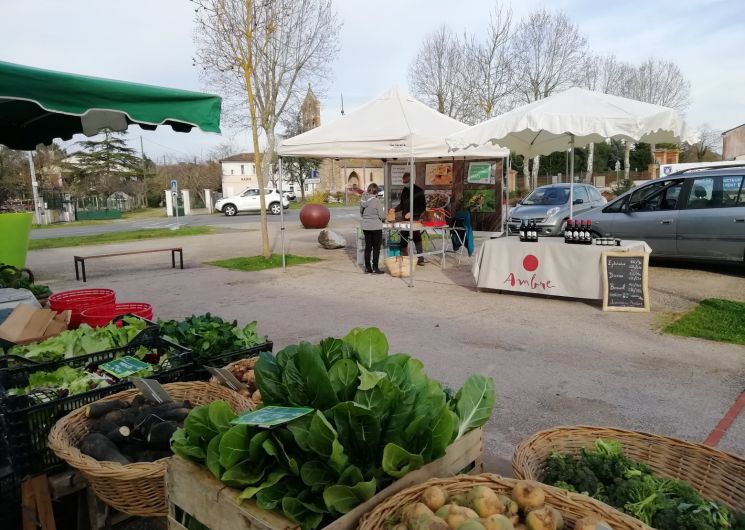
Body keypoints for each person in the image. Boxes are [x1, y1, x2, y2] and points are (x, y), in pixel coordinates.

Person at [390, 172, 426, 265]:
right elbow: (402, 204)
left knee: (416, 237)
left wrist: (412, 213)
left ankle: (420, 258)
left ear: (411, 180)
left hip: (414, 219)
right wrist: (395, 209)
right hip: (405, 219)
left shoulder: (419, 191)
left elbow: (422, 207)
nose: (404, 183)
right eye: (403, 181)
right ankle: (404, 258)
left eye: (406, 181)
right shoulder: (405, 190)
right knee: (403, 237)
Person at [360, 182, 385, 274]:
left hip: (366, 227)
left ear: (368, 191)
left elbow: (361, 213)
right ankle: (375, 268)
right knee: (376, 248)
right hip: (376, 227)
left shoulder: (363, 201)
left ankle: (367, 268)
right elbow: (382, 215)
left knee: (368, 247)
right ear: (376, 192)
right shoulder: (377, 201)